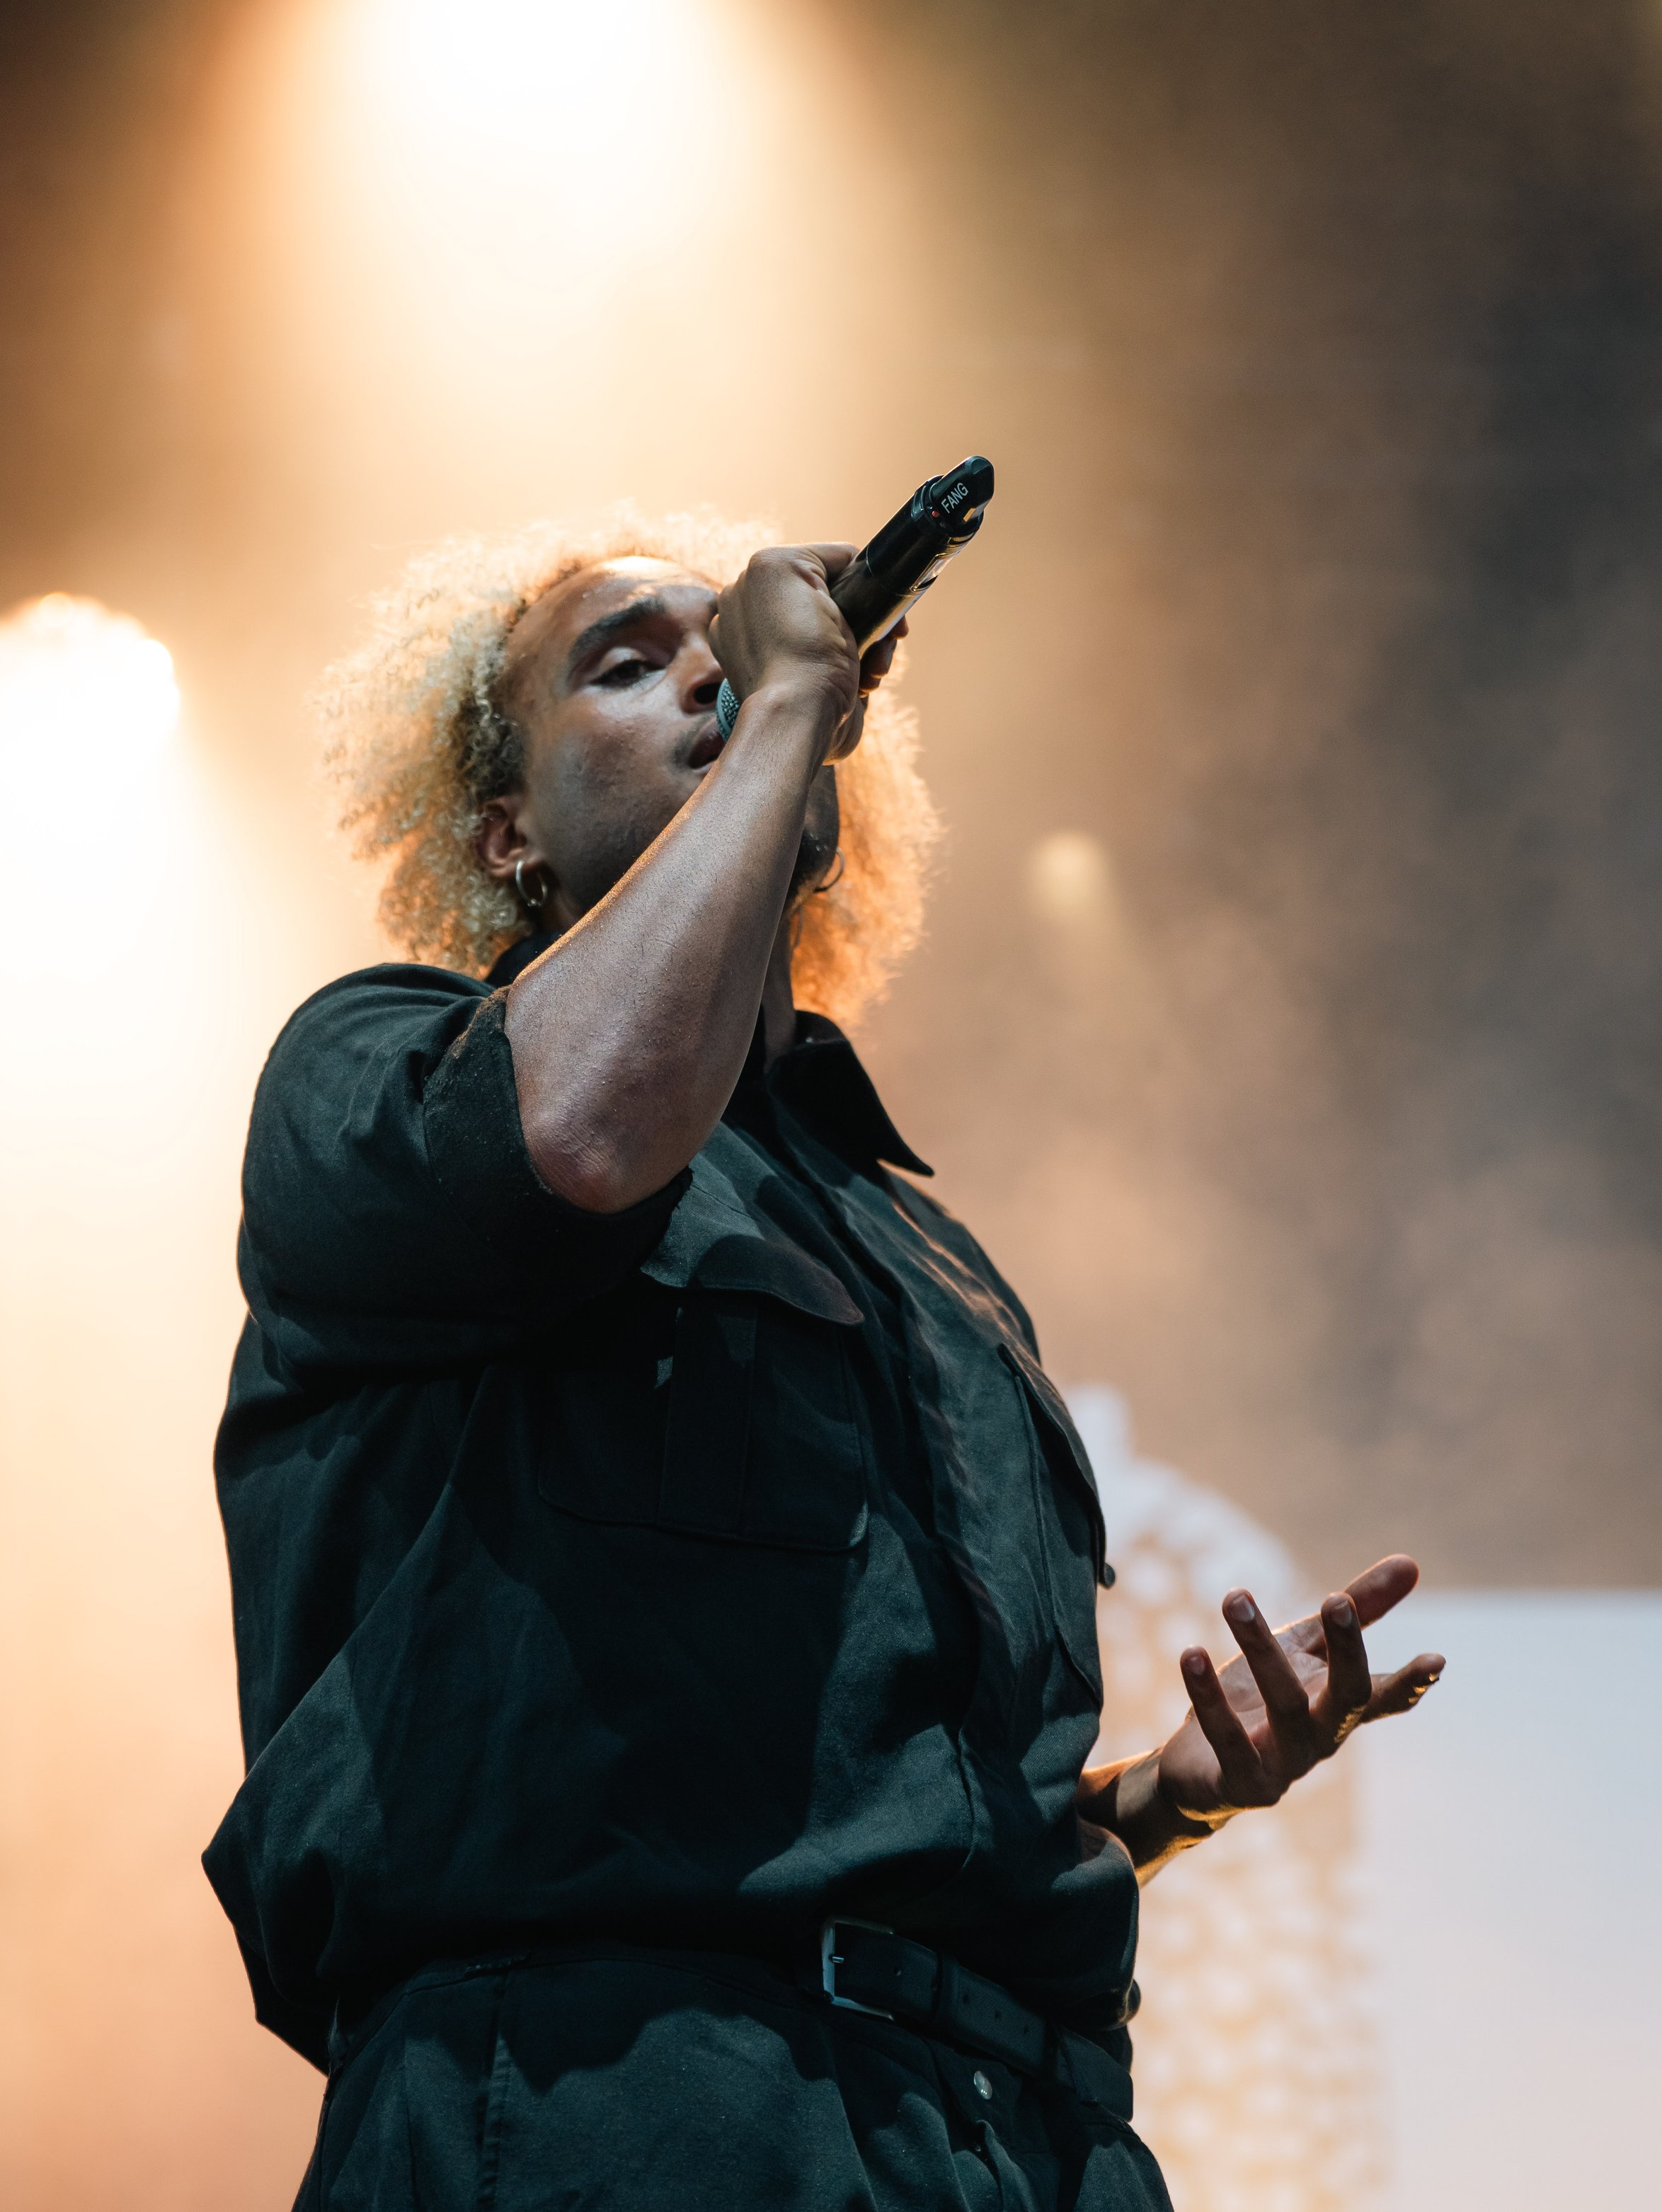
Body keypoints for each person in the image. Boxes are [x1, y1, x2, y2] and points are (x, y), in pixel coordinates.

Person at [205, 510, 1445, 2211]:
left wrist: (1159, 1798)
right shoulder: (381, 1069)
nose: (711, 668)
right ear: (502, 830)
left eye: (731, 641)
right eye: (632, 663)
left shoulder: (933, 1257)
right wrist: (781, 707)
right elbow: (571, 1143)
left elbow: (877, 1777)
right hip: (627, 2104)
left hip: (1019, 2133)